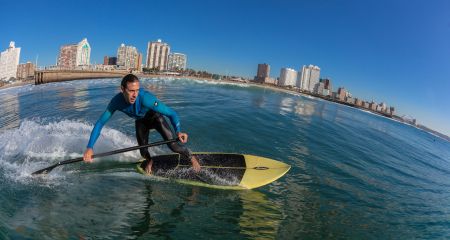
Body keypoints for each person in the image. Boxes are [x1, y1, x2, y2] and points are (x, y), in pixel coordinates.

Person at [83, 74, 201, 174]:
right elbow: (100, 123)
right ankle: (150, 161)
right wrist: (89, 148)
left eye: (137, 90)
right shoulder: (116, 102)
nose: (135, 94)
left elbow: (171, 113)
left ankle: (191, 157)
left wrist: (178, 131)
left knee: (173, 146)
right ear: (122, 89)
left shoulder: (145, 98)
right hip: (140, 122)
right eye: (131, 91)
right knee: (143, 152)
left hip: (155, 118)